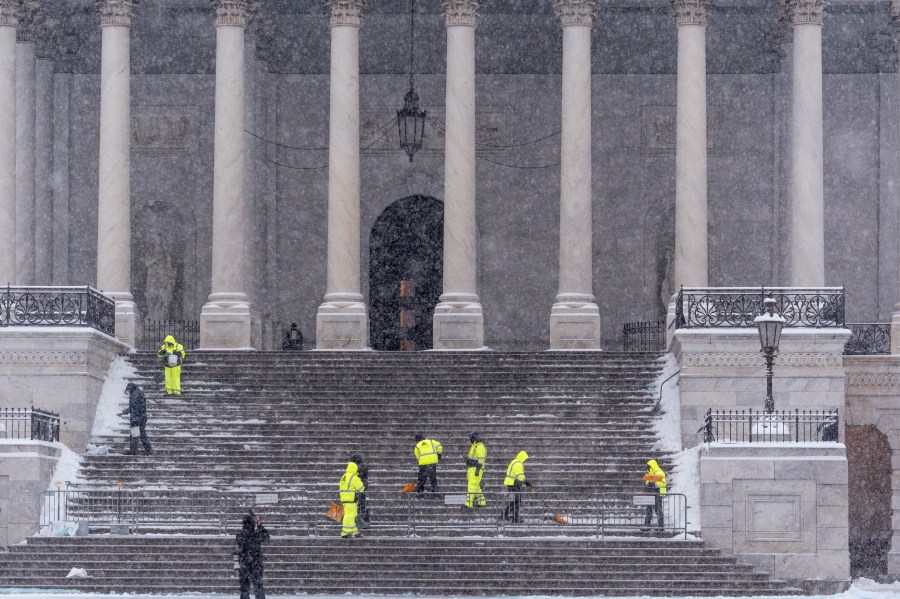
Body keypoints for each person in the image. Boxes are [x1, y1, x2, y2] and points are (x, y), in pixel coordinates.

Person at [233, 509, 269, 599]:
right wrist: (260, 525)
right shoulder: (256, 534)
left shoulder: (240, 535)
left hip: (244, 562)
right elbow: (266, 536)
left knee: (244, 588)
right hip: (256, 562)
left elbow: (237, 549)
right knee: (258, 587)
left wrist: (238, 562)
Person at [119, 382, 152, 455]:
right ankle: (148, 449)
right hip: (142, 417)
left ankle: (133, 450)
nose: (128, 392)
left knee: (134, 434)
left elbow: (135, 408)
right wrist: (124, 412)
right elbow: (135, 407)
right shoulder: (139, 393)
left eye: (129, 390)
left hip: (137, 418)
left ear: (132, 389)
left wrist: (135, 418)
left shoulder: (134, 395)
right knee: (142, 433)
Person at [502, 451, 533, 523]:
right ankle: (513, 518)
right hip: (513, 484)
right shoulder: (518, 464)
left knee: (516, 500)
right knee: (517, 500)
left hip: (511, 483)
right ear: (522, 458)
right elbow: (520, 476)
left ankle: (506, 514)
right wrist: (527, 483)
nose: (525, 461)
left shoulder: (514, 461)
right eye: (525, 459)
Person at [339, 460, 366, 538]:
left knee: (353, 515)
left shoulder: (344, 476)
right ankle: (345, 532)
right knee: (350, 515)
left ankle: (354, 532)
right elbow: (361, 488)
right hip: (351, 499)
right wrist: (359, 478)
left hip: (345, 498)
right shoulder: (353, 477)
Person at [643, 459, 668, 530]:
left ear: (651, 467)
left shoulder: (659, 472)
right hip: (651, 494)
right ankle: (647, 525)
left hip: (658, 494)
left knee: (658, 510)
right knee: (649, 510)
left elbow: (659, 484)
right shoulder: (651, 473)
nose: (647, 469)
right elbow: (648, 484)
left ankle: (660, 526)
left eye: (648, 467)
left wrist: (651, 480)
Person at [465, 432, 486, 508]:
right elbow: (473, 457)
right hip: (471, 468)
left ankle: (468, 504)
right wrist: (467, 459)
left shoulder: (480, 447)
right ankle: (482, 502)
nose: (470, 439)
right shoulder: (474, 446)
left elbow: (481, 460)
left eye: (471, 438)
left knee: (471, 486)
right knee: (476, 487)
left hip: (475, 469)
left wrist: (477, 470)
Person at [350, 453, 370, 528]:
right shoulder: (364, 466)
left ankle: (358, 521)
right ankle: (364, 521)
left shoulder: (355, 467)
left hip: (355, 488)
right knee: (362, 505)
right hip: (362, 488)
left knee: (356, 506)